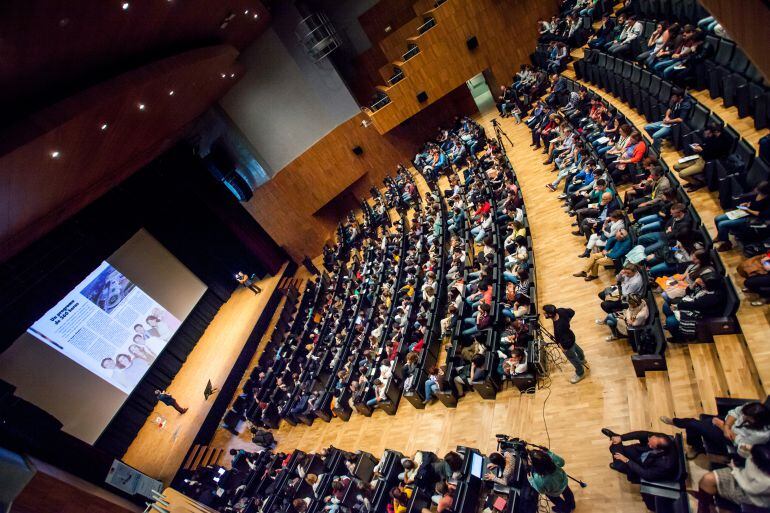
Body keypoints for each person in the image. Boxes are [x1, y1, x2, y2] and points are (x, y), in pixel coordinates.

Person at [659, 401, 770, 459]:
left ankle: (675, 422)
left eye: (748, 419)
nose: (744, 418)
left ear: (757, 420)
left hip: (730, 439)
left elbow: (741, 445)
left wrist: (723, 427)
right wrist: (726, 425)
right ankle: (696, 446)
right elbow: (735, 412)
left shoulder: (762, 434)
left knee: (693, 424)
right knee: (694, 425)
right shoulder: (752, 408)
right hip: (726, 425)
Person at [694, 443, 770, 511]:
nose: (751, 459)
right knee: (706, 480)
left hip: (749, 495)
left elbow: (748, 487)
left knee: (708, 482)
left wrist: (734, 470)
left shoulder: (767, 481)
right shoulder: (760, 456)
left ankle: (706, 506)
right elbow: (746, 453)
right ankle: (705, 505)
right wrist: (744, 447)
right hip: (741, 474)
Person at [602, 428, 677, 483]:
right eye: (650, 440)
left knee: (620, 463)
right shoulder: (662, 438)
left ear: (660, 450)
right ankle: (616, 440)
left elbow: (646, 474)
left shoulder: (665, 465)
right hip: (643, 453)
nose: (648, 443)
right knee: (619, 451)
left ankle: (615, 446)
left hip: (643, 466)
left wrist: (626, 460)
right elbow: (641, 434)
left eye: (651, 445)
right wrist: (621, 438)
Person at [713, 181, 770, 252]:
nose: (757, 191)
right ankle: (721, 236)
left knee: (722, 224)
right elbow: (752, 202)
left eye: (760, 191)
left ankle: (726, 244)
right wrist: (747, 204)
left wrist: (748, 210)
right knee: (717, 218)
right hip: (746, 212)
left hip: (753, 219)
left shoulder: (768, 200)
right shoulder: (757, 194)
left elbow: (761, 214)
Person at [543, 304, 587, 384]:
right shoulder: (560, 311)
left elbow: (558, 340)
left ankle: (580, 373)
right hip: (571, 336)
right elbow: (572, 312)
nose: (544, 314)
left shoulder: (559, 327)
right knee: (576, 347)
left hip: (566, 343)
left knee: (572, 358)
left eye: (545, 313)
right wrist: (567, 322)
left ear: (550, 314)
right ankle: (582, 359)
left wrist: (562, 348)